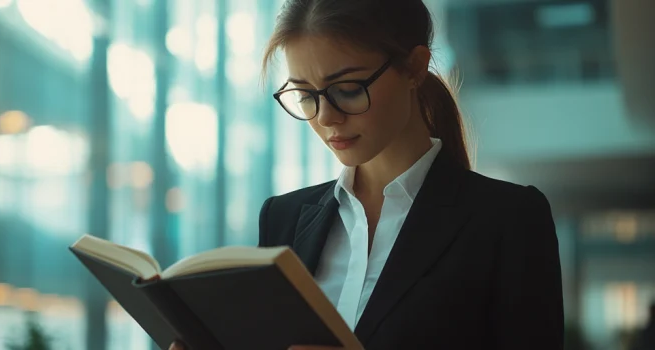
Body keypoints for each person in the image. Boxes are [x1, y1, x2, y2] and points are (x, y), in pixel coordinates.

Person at [172, 0, 564, 348]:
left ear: (414, 67)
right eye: (306, 95)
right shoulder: (283, 218)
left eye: (347, 88)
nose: (326, 117)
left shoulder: (508, 219)